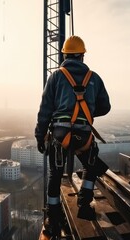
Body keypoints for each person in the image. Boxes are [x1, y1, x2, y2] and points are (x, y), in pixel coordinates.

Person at [35, 35, 111, 236]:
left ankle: (54, 215)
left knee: (55, 175)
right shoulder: (94, 78)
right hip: (83, 136)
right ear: (82, 56)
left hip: (60, 136)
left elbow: (45, 110)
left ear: (64, 55)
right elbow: (106, 107)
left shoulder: (56, 77)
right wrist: (87, 111)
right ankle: (85, 206)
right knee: (90, 165)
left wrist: (39, 136)